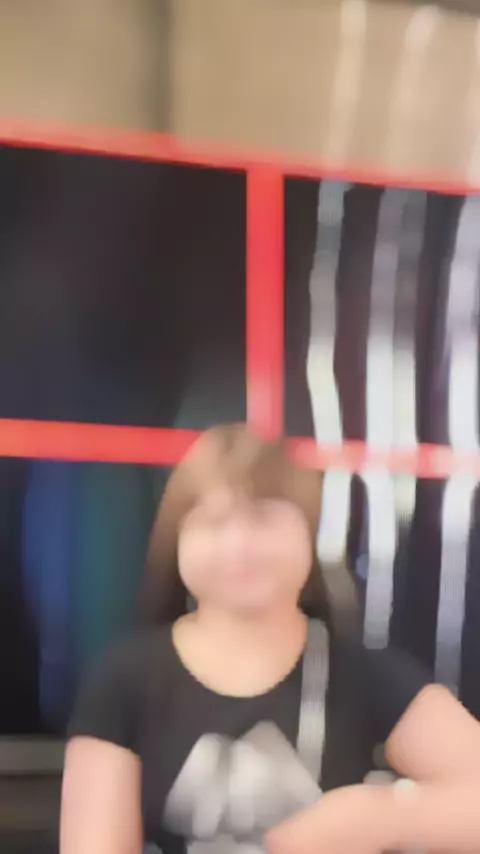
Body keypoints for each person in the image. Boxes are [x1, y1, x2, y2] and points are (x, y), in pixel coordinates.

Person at [61, 424, 480, 854]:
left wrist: (379, 816)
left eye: (263, 518)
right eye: (212, 522)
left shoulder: (364, 674)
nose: (239, 545)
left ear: (309, 533)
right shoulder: (125, 680)